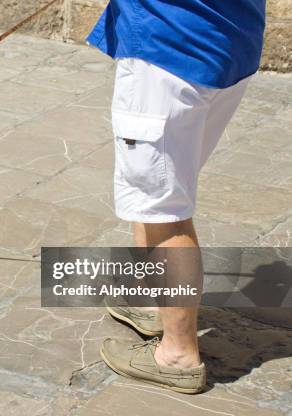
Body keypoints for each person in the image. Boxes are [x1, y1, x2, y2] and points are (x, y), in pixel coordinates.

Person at [86, 0, 266, 393]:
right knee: (156, 195)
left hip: (170, 49)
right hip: (225, 41)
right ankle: (155, 305)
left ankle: (178, 355)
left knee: (165, 211)